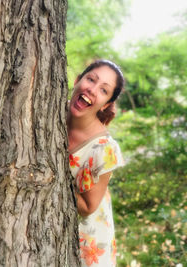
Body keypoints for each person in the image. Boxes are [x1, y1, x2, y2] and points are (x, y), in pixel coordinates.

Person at [67, 59, 124, 267]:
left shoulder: (104, 149)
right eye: (90, 79)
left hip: (89, 242)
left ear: (107, 104)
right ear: (77, 80)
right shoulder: (46, 114)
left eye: (103, 90)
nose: (92, 90)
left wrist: (52, 179)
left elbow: (88, 207)